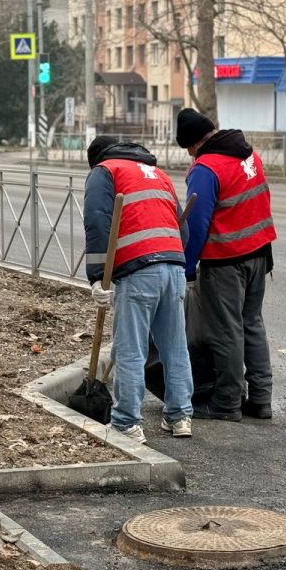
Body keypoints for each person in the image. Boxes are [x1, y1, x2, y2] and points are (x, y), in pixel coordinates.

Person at [84, 136, 193, 444]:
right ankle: (180, 416)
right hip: (173, 266)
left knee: (130, 348)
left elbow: (96, 222)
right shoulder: (157, 173)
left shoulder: (104, 172)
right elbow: (181, 227)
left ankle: (127, 422)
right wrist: (172, 259)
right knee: (175, 346)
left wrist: (96, 277)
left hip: (138, 269)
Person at [175, 109, 277, 421]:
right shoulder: (248, 155)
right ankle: (261, 399)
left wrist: (187, 267)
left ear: (193, 144)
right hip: (261, 252)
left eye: (189, 150)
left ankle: (227, 403)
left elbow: (196, 221)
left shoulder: (207, 167)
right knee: (252, 324)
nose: (191, 156)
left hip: (226, 259)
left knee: (226, 331)